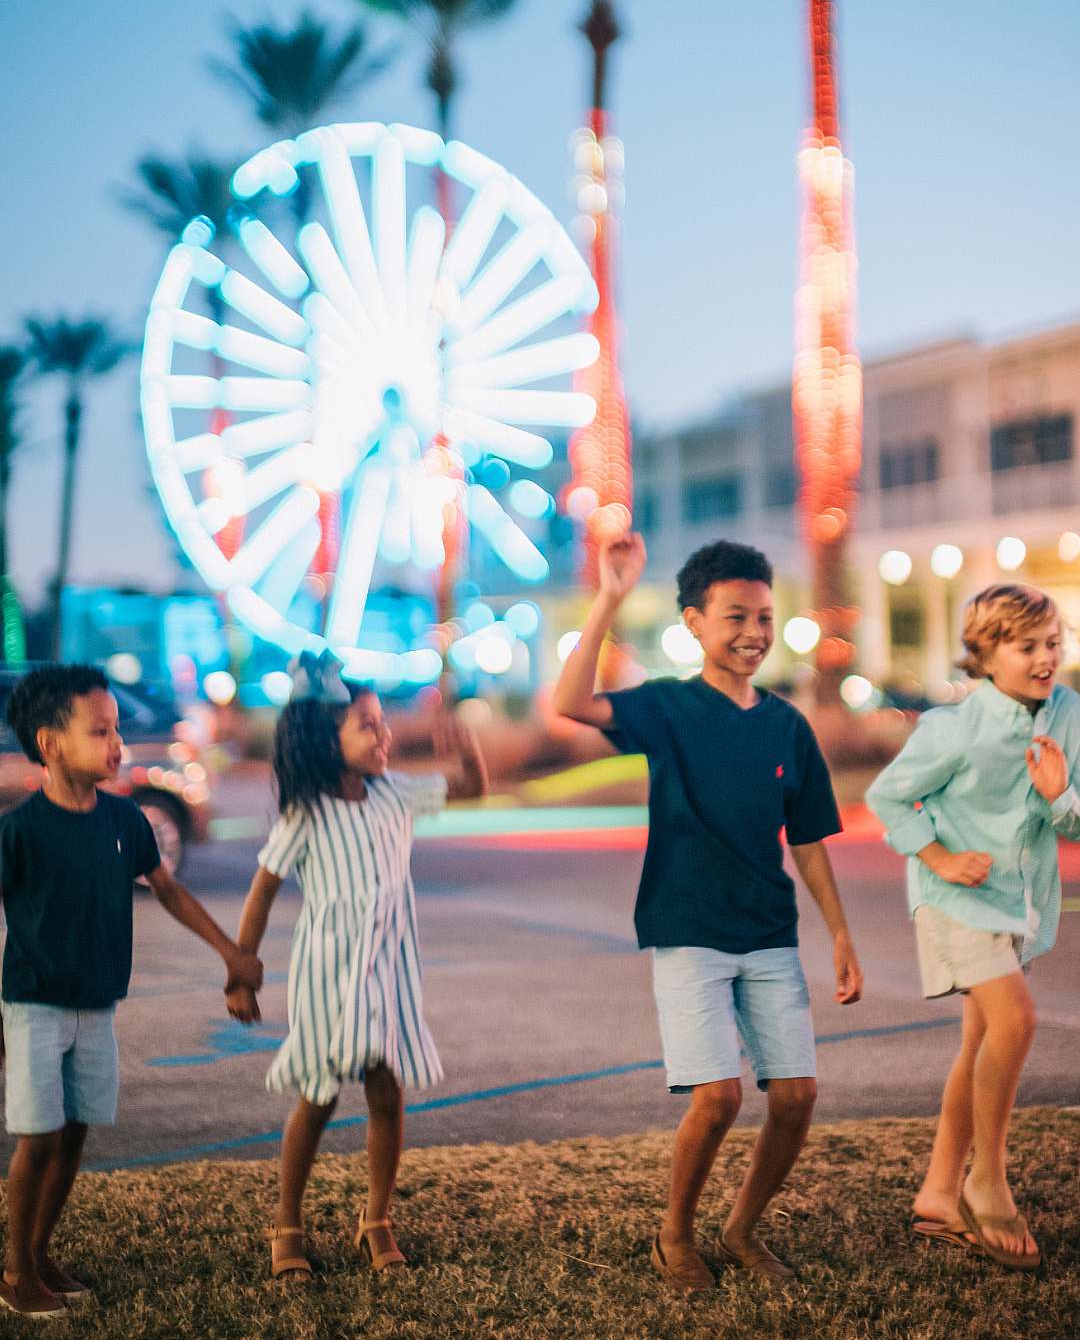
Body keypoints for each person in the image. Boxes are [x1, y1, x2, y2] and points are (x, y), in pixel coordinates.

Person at [552, 533, 862, 1292]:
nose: (754, 633)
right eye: (736, 617)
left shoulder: (787, 725)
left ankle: (741, 1229)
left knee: (796, 1096)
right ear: (694, 622)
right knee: (717, 1097)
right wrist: (609, 597)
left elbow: (809, 839)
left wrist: (840, 934)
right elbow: (568, 702)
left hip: (769, 933)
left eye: (765, 617)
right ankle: (675, 1235)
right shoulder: (667, 706)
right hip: (688, 927)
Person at [0, 664, 263, 1319]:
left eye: (116, 729)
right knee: (39, 1134)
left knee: (76, 1130)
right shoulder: (20, 830)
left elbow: (167, 890)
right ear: (50, 743)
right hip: (34, 1003)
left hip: (97, 1002)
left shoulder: (125, 818)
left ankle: (40, 1252)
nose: (117, 743)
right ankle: (15, 1270)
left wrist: (230, 952)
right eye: (100, 731)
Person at [226, 674, 487, 1283]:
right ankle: (287, 1222)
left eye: (382, 722)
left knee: (386, 1091)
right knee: (317, 1096)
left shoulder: (395, 793)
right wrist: (243, 973)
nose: (383, 734)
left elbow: (472, 787)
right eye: (366, 725)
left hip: (389, 969)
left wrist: (466, 749)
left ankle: (377, 1218)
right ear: (326, 740)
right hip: (328, 976)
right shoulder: (306, 813)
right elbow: (262, 890)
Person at [866, 582, 1080, 1271]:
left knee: (983, 1040)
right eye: (1027, 647)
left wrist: (1060, 794)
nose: (1046, 658)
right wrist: (940, 857)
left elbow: (1074, 821)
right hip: (953, 897)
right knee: (1016, 1021)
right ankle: (986, 1181)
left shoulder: (1069, 715)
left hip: (1019, 901)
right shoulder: (952, 727)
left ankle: (937, 1192)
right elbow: (888, 798)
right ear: (985, 656)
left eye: (1053, 643)